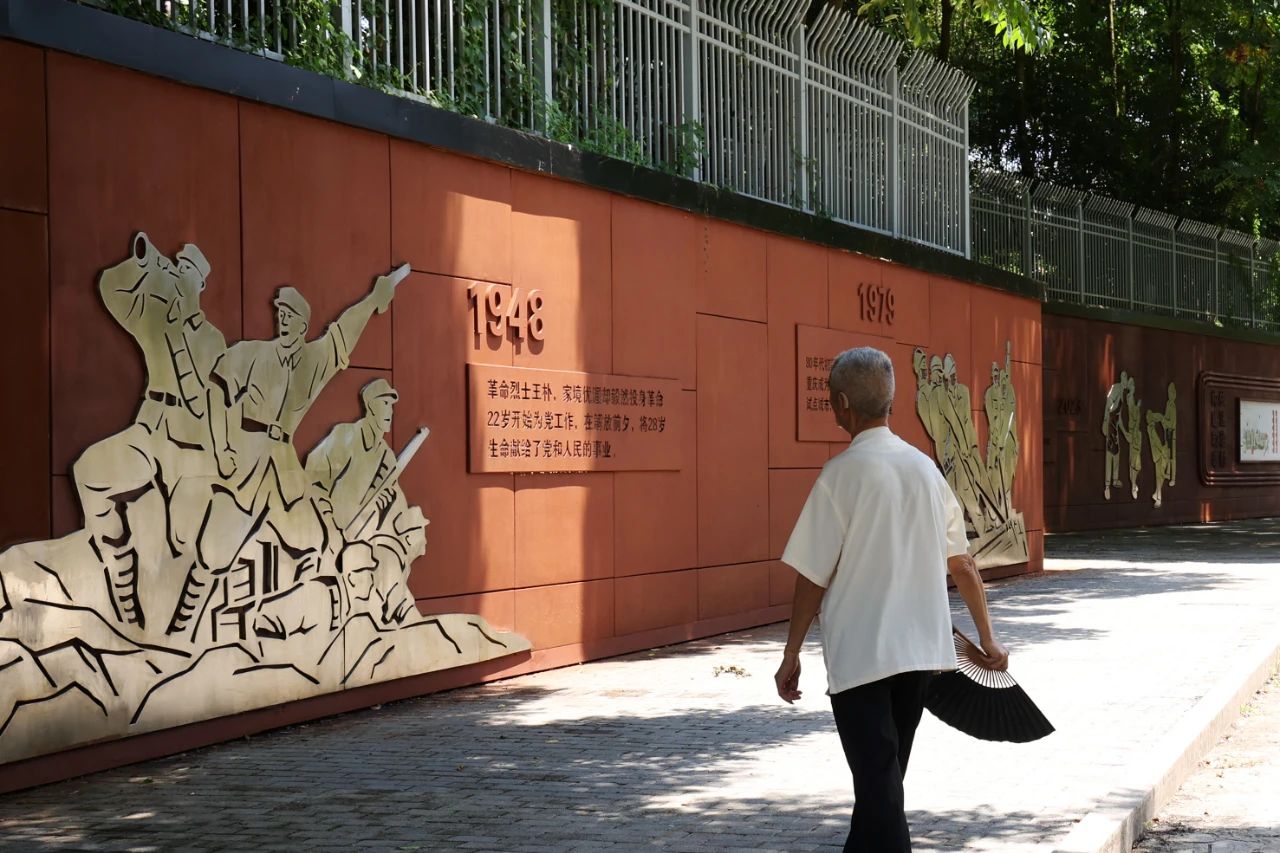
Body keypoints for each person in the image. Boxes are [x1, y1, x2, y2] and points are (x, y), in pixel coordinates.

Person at [773, 346, 1009, 853]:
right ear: (891, 402)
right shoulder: (926, 470)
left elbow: (812, 576)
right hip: (920, 656)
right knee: (882, 783)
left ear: (842, 404)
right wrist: (988, 637)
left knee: (879, 787)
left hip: (862, 658)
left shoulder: (840, 475)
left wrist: (791, 652)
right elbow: (963, 565)